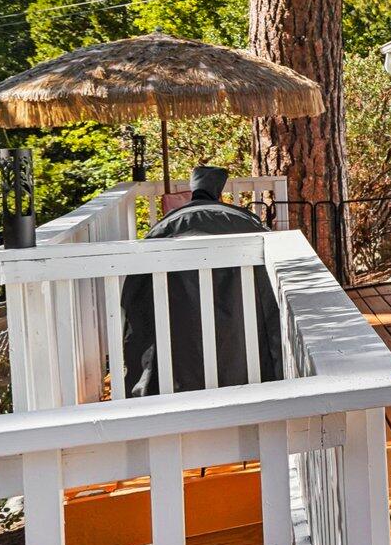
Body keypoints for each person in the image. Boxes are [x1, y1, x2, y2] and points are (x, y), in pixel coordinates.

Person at [119, 165, 283, 396]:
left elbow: (136, 299)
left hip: (178, 343)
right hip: (243, 337)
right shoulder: (244, 222)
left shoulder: (165, 229)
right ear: (219, 192)